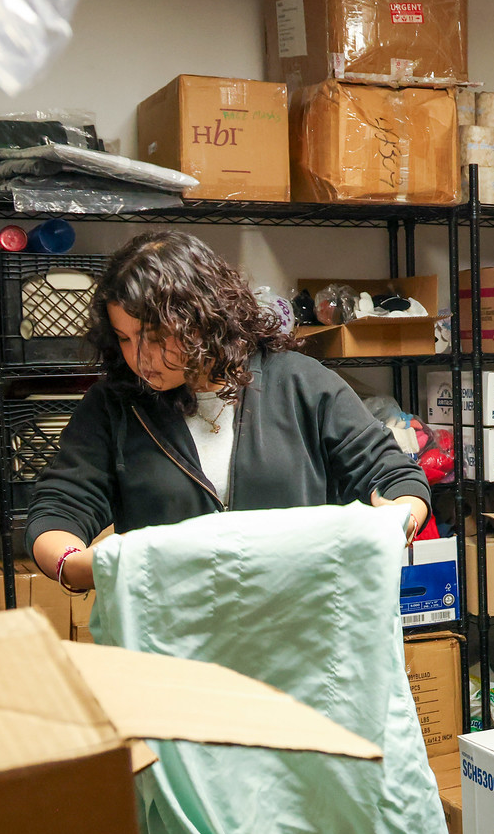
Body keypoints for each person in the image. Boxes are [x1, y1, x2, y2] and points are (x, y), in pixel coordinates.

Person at [26, 229, 432, 597]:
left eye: (154, 337)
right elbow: (59, 508)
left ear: (203, 320)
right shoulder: (113, 405)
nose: (140, 358)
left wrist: (398, 519)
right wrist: (76, 565)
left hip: (296, 633)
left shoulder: (299, 383)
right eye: (124, 339)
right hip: (173, 645)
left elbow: (393, 475)